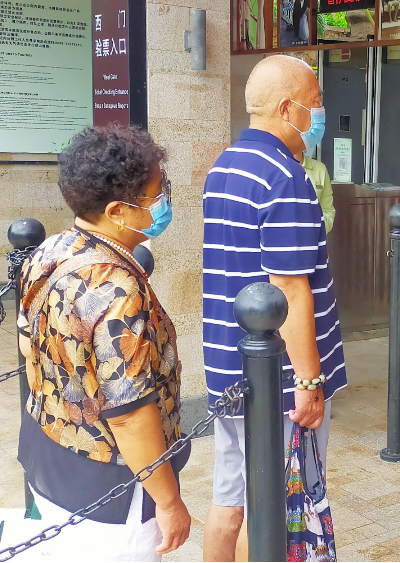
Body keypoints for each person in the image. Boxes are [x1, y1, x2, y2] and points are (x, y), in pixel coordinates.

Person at [16, 125, 189, 561]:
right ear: (117, 211)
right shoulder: (118, 291)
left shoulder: (49, 251)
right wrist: (169, 501)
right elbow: (129, 415)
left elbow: (27, 346)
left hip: (49, 455)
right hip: (113, 491)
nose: (164, 201)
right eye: (157, 193)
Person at [201, 55, 346, 562]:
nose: (320, 112)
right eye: (316, 102)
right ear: (288, 109)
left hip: (230, 366)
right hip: (278, 380)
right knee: (274, 507)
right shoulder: (286, 177)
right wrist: (309, 381)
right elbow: (290, 287)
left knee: (230, 499)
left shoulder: (224, 165)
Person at [302, 150, 335, 234]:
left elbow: (327, 210)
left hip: (313, 238)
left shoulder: (320, 169)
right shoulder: (274, 167)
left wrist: (317, 230)